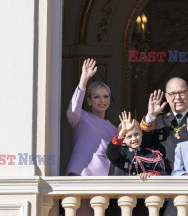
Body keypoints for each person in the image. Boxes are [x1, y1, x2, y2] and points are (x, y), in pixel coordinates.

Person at [66, 58, 118, 216]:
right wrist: (84, 79)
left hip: (103, 179)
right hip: (82, 174)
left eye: (106, 96)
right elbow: (73, 108)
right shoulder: (80, 117)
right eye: (96, 97)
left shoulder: (115, 129)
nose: (102, 101)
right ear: (88, 100)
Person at [107, 111, 167, 180]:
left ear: (141, 133)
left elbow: (163, 173)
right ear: (123, 139)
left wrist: (151, 174)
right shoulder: (120, 153)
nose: (134, 139)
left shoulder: (151, 155)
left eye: (136, 134)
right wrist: (121, 134)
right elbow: (110, 152)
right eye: (129, 136)